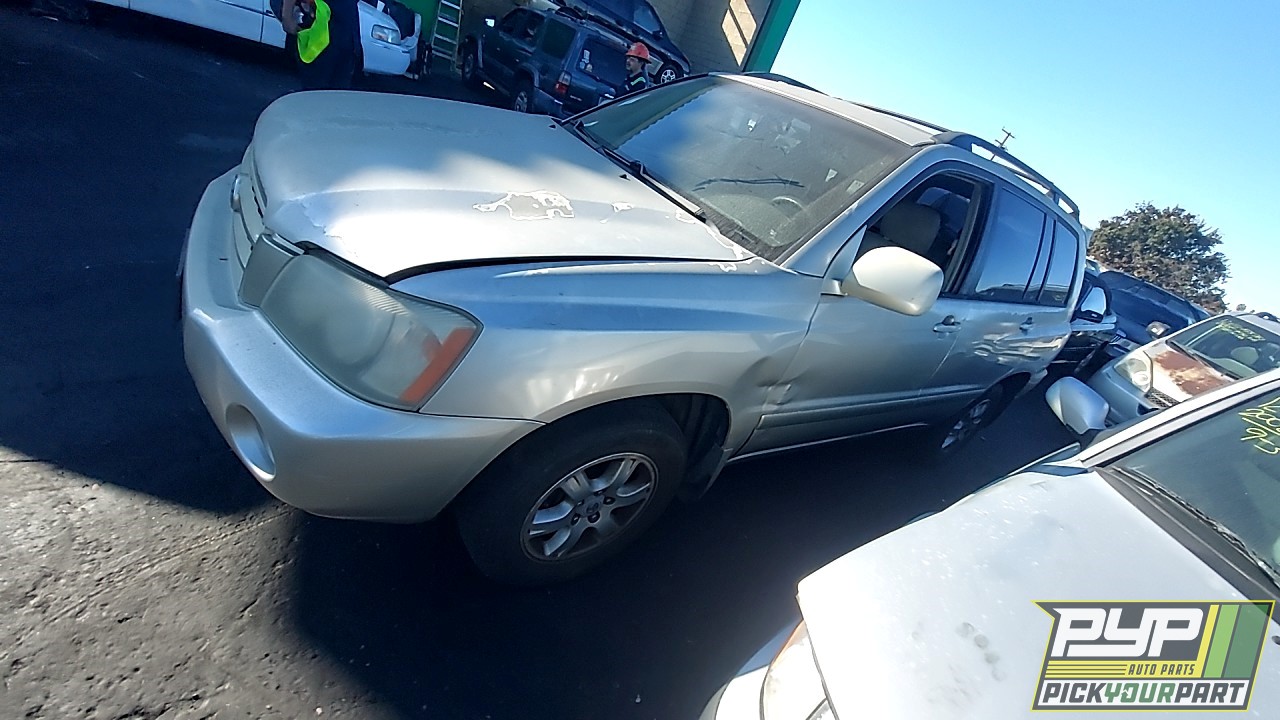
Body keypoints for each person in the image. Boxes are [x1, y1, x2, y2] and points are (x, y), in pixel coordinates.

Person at [279, 0, 363, 90]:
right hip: (321, 39)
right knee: (315, 92)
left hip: (347, 38)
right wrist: (287, 16)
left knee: (338, 94)